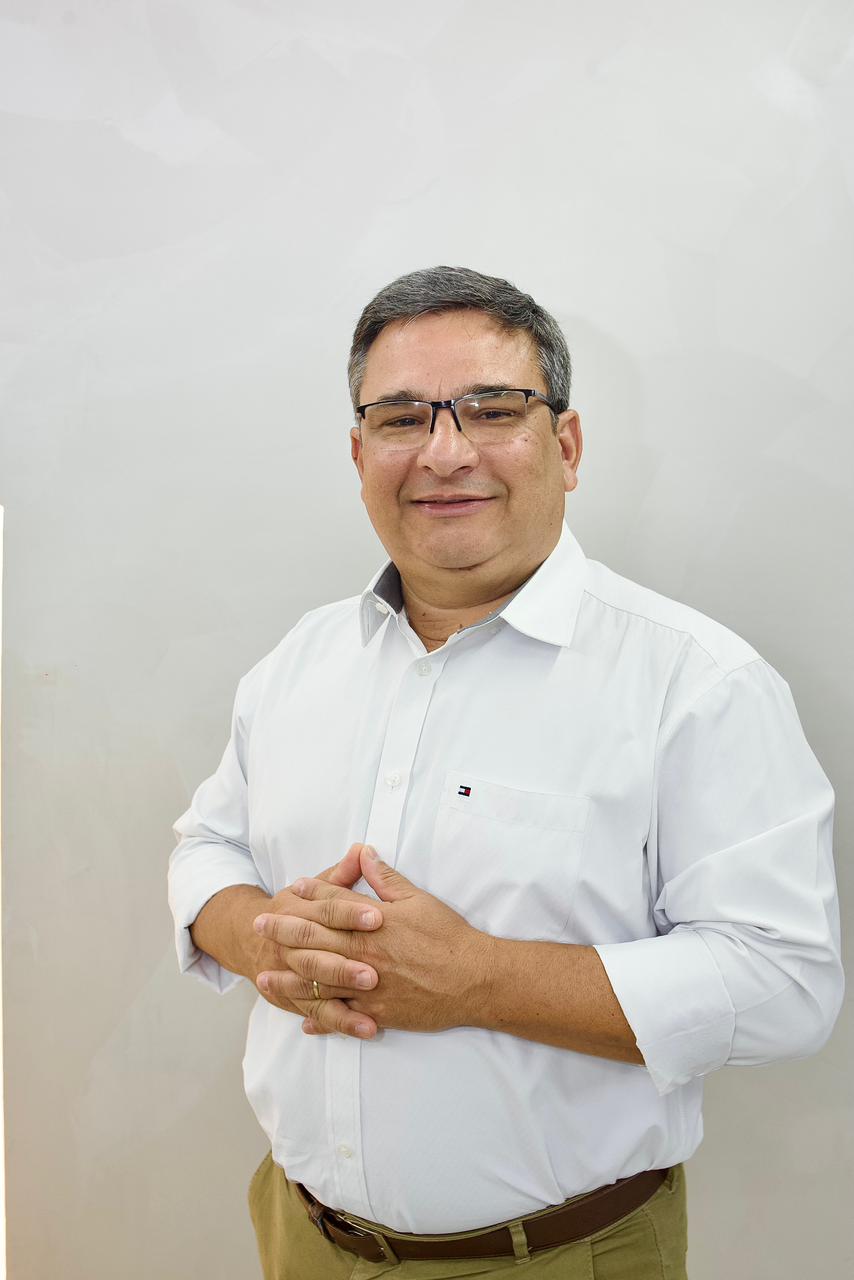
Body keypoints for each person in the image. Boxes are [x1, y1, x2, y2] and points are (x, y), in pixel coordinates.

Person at [168, 265, 844, 1280]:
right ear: (359, 454)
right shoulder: (298, 661)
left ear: (564, 446)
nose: (444, 452)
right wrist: (272, 940)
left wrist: (478, 977)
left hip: (561, 1256)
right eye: (401, 418)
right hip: (299, 1235)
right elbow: (207, 845)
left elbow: (786, 984)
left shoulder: (695, 682)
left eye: (491, 409)